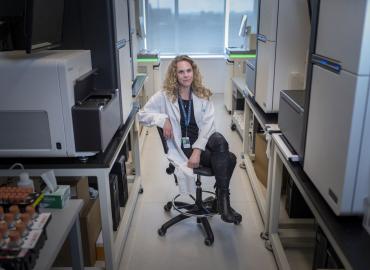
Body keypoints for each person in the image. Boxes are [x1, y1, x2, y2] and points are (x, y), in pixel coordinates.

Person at [138, 55, 242, 223]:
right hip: (182, 145)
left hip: (203, 140)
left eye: (188, 71)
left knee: (220, 140)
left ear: (193, 72)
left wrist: (197, 150)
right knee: (229, 159)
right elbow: (141, 115)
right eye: (181, 72)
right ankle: (223, 204)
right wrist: (162, 120)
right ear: (174, 75)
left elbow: (208, 125)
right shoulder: (164, 96)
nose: (186, 75)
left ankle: (222, 203)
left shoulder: (202, 94)